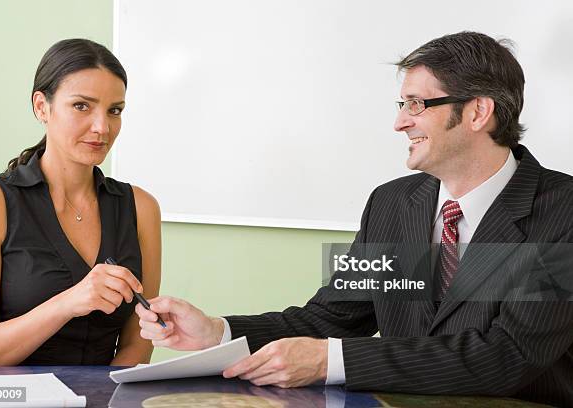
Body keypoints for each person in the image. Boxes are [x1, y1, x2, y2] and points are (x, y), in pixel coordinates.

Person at [136, 32, 573, 407]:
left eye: (417, 104)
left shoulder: (562, 210)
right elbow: (331, 318)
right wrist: (218, 331)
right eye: (403, 103)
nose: (400, 122)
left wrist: (331, 361)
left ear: (479, 112)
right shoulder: (392, 204)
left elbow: (506, 356)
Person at [0, 39, 162, 366]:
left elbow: (137, 346)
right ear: (42, 107)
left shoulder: (141, 208)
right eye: (82, 106)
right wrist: (68, 302)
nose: (102, 128)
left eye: (115, 110)